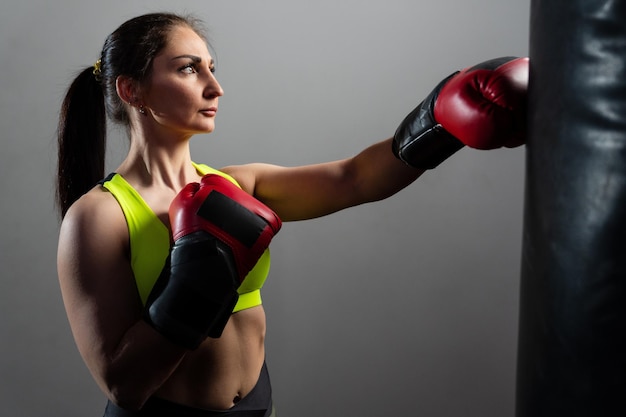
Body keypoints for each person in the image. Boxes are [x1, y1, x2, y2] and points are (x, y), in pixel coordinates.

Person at [55, 12, 528, 417]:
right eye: (188, 69)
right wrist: (193, 289)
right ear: (132, 91)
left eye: (212, 69)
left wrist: (441, 119)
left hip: (261, 406)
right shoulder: (99, 217)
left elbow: (356, 179)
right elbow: (124, 386)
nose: (214, 86)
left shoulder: (235, 186)